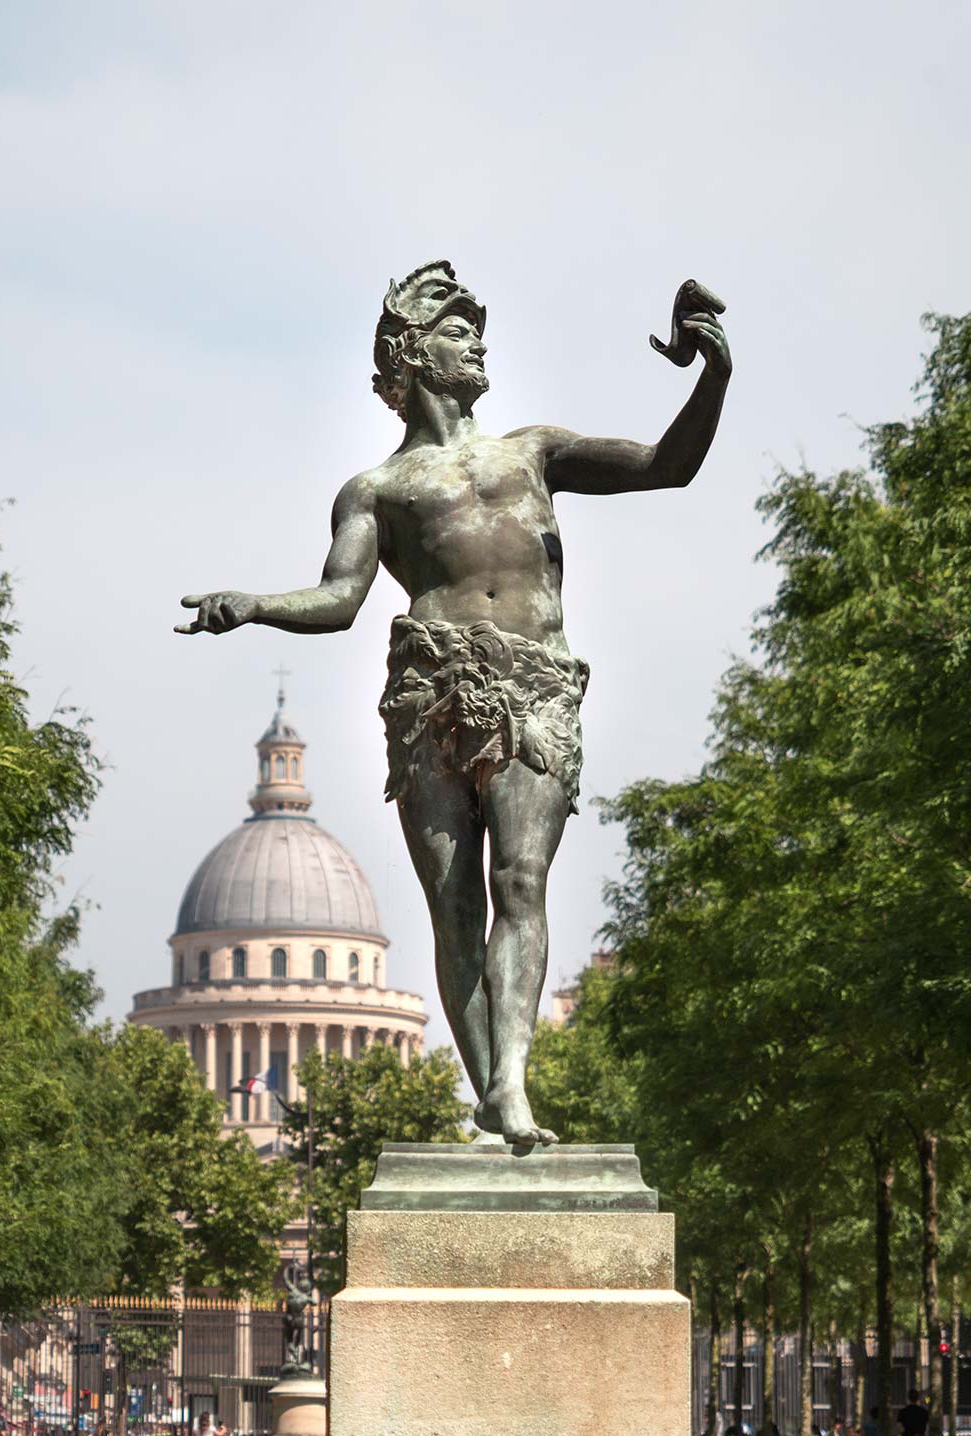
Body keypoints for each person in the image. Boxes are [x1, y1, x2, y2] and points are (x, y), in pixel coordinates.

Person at [177, 261, 730, 1146]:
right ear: (411, 355)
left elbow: (668, 467)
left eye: (477, 332)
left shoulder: (533, 452)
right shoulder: (377, 490)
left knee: (519, 880)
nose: (478, 346)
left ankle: (511, 1082)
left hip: (533, 685)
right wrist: (253, 603)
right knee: (454, 906)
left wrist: (715, 374)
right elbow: (340, 599)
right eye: (458, 332)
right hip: (429, 689)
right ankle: (493, 1095)